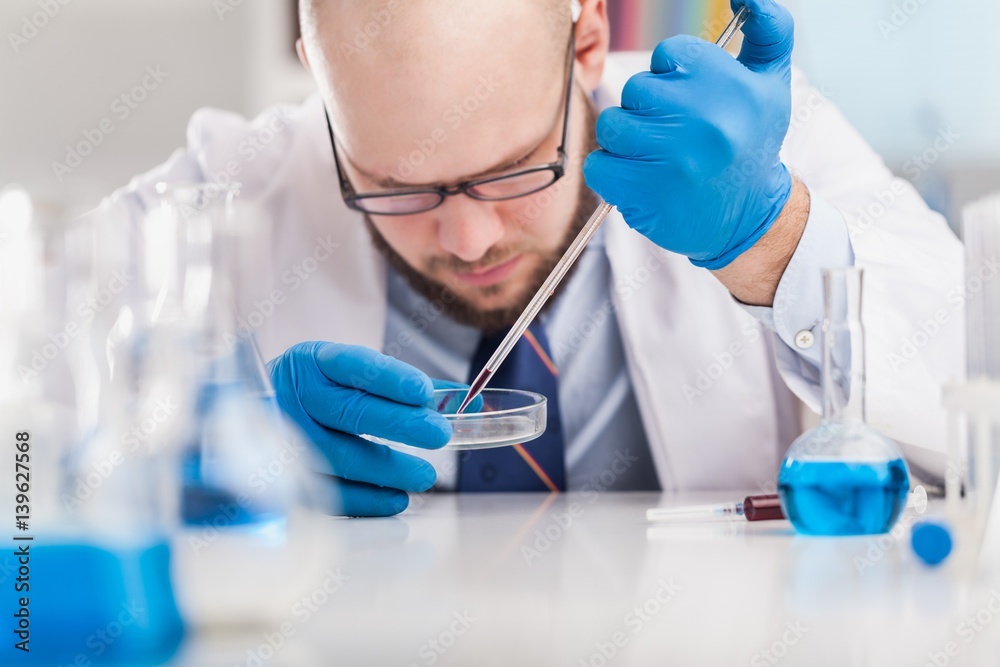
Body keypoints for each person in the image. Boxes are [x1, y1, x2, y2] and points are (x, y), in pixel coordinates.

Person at [108, 0, 963, 516]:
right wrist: (194, 441)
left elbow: (975, 405)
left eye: (511, 169)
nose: (468, 241)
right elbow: (27, 439)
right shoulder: (218, 198)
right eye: (394, 185)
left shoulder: (754, 146)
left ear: (586, 37)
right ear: (319, 81)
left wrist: (773, 242)